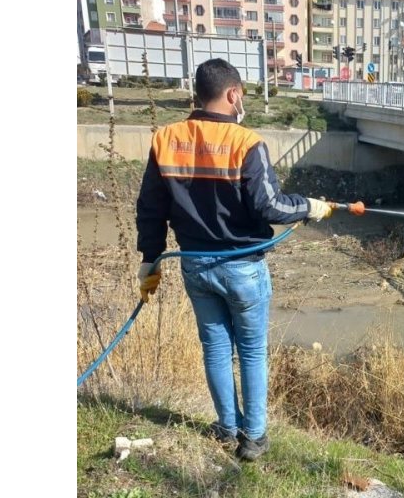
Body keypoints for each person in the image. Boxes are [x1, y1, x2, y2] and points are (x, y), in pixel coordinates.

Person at [134, 58, 333, 461]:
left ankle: (226, 428)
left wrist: (149, 260)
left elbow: (150, 209)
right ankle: (254, 438)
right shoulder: (246, 142)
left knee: (215, 349)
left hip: (194, 265)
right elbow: (271, 206)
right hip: (242, 268)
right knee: (253, 351)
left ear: (197, 94)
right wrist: (311, 206)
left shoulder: (166, 138)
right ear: (232, 94)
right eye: (241, 95)